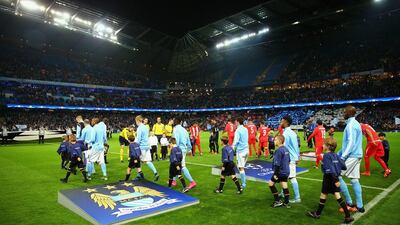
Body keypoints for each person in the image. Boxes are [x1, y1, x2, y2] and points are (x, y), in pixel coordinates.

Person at [306, 137, 354, 224]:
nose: (322, 145)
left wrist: (335, 179)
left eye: (324, 144)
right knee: (337, 195)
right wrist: (335, 167)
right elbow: (344, 166)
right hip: (335, 176)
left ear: (328, 146)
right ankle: (348, 216)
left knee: (324, 194)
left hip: (329, 178)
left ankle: (317, 214)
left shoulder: (326, 156)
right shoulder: (335, 155)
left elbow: (329, 170)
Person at [337, 105, 364, 213]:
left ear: (349, 112)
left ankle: (349, 203)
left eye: (344, 111)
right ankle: (360, 206)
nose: (343, 113)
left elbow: (351, 143)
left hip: (352, 156)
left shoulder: (351, 125)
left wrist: (342, 157)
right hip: (356, 155)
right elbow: (348, 144)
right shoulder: (354, 123)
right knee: (354, 180)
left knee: (337, 176)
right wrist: (339, 154)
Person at [281, 116, 301, 203]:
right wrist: (298, 156)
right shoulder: (293, 133)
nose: (280, 122)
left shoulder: (286, 134)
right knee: (284, 176)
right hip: (293, 157)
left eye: (282, 121)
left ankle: (297, 198)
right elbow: (297, 146)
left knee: (292, 177)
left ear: (286, 122)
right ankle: (283, 193)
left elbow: (284, 147)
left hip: (289, 158)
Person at [172, 117, 196, 190]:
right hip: (184, 149)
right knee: (176, 165)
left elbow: (176, 140)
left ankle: (192, 182)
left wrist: (174, 149)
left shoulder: (175, 129)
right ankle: (173, 180)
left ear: (174, 122)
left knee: (182, 166)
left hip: (179, 150)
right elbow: (188, 140)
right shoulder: (184, 130)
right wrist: (189, 149)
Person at [268, 135, 290, 208]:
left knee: (271, 184)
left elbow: (277, 164)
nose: (274, 141)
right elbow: (289, 160)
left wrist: (275, 174)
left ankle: (277, 201)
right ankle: (286, 203)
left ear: (279, 141)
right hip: (286, 171)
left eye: (275, 140)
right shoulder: (286, 149)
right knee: (284, 185)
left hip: (280, 172)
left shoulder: (278, 150)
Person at [135, 115, 159, 181]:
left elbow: (138, 139)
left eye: (136, 121)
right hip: (147, 146)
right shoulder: (146, 127)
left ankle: (139, 175)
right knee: (148, 161)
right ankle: (156, 173)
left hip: (142, 146)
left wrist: (134, 144)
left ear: (138, 120)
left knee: (137, 161)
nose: (136, 123)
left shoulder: (139, 128)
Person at [232, 117, 249, 189]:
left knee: (241, 168)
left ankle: (243, 184)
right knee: (241, 167)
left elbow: (235, 141)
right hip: (246, 149)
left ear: (238, 122)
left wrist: (231, 149)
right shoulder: (245, 129)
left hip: (241, 151)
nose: (235, 123)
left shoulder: (238, 130)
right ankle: (243, 182)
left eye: (235, 122)